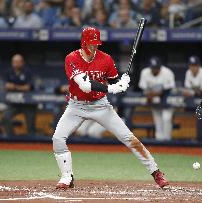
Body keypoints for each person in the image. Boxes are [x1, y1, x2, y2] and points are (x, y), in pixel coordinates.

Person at [52, 27, 168, 189]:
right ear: (83, 42)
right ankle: (66, 177)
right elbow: (85, 85)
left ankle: (156, 172)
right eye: (91, 44)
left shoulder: (106, 59)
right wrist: (112, 88)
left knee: (129, 138)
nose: (94, 47)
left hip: (100, 106)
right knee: (58, 138)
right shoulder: (72, 58)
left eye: (96, 44)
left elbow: (114, 82)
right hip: (76, 106)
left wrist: (123, 82)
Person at [138, 57, 175, 141]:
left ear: (160, 67)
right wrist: (148, 96)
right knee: (158, 121)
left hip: (167, 98)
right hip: (154, 99)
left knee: (166, 118)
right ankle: (160, 141)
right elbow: (143, 89)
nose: (154, 70)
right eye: (153, 68)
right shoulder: (145, 72)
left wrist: (151, 95)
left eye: (156, 68)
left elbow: (166, 91)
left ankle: (167, 140)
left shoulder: (167, 72)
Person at [2, 54, 36, 136]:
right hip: (14, 103)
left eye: (18, 61)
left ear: (22, 62)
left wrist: (14, 87)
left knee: (30, 118)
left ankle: (32, 139)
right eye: (14, 62)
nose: (16, 63)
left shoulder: (28, 72)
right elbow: (6, 86)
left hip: (27, 103)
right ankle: (11, 137)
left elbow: (28, 87)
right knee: (5, 116)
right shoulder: (8, 72)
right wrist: (20, 87)